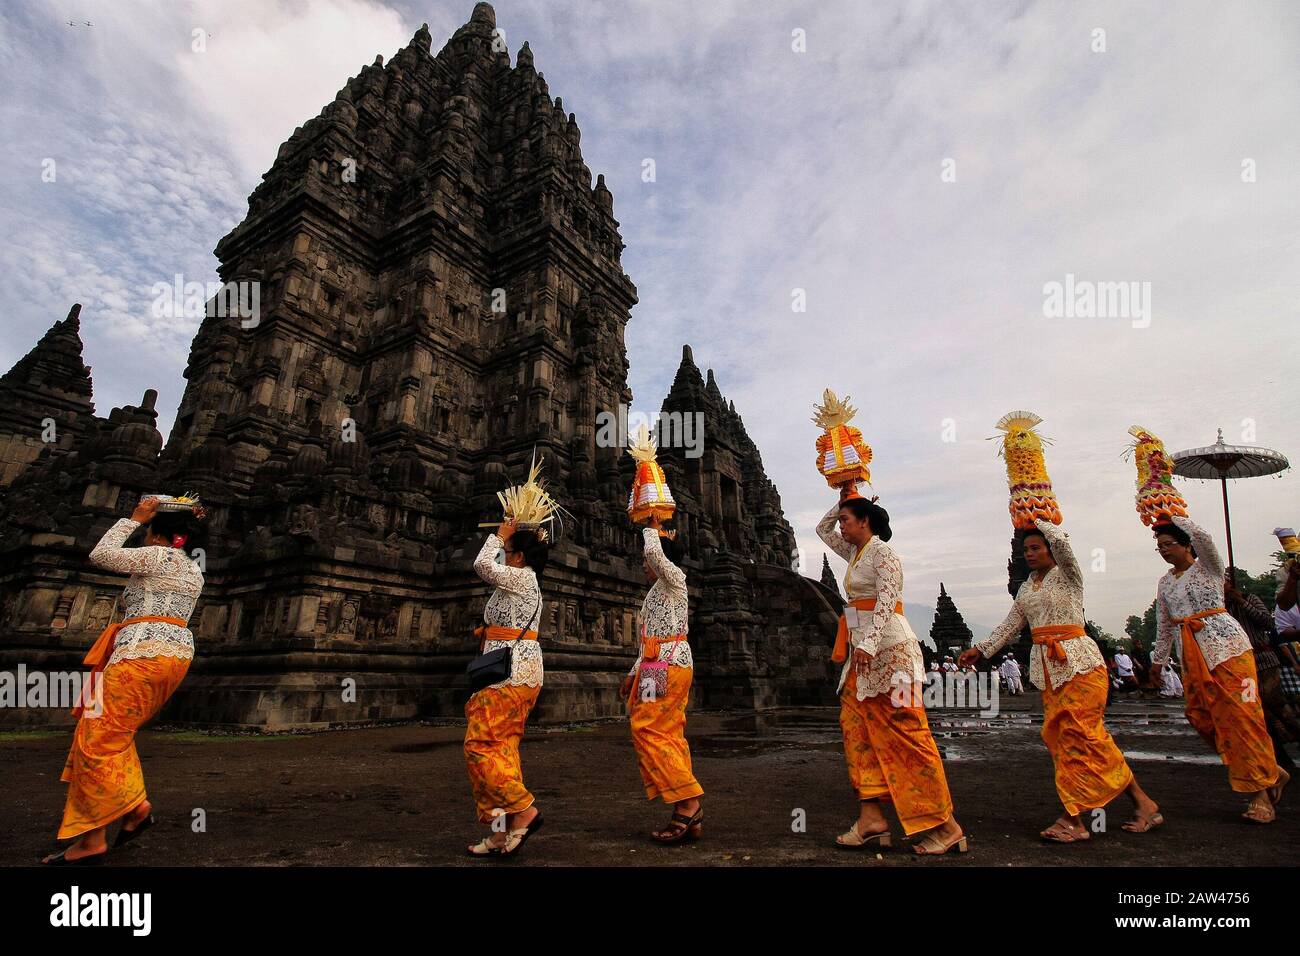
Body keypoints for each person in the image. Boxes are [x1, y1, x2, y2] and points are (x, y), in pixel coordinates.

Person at [961, 519, 1162, 842]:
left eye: (1036, 547)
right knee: (1072, 740)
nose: (1029, 553)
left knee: (1079, 737)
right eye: (1025, 549)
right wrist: (981, 650)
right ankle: (1143, 802)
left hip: (1080, 664)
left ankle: (1074, 819)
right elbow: (1011, 625)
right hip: (1049, 672)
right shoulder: (1028, 587)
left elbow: (1065, 547)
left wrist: (1033, 509)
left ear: (1051, 548)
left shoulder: (1068, 575)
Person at [42, 496, 206, 865]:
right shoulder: (193, 569)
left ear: (165, 535)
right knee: (113, 734)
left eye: (151, 531)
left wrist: (134, 518)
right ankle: (134, 810)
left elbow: (101, 555)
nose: (147, 535)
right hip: (172, 657)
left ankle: (93, 840)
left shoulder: (158, 557)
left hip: (141, 656)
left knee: (97, 738)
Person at [818, 485, 966, 855]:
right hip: (861, 653)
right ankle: (871, 817)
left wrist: (868, 642)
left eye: (849, 521)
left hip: (890, 650)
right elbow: (822, 530)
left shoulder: (882, 552)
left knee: (907, 732)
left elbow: (887, 598)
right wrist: (845, 496)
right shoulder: (854, 553)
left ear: (866, 522)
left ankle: (946, 825)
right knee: (856, 728)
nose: (843, 526)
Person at [1149, 517, 1289, 822]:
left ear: (1188, 545)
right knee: (1200, 717)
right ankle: (1269, 769)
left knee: (1241, 717)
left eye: (1169, 544)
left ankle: (1259, 795)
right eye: (1158, 546)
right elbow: (1163, 626)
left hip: (1227, 650)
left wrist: (1169, 509)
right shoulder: (1164, 582)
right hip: (1191, 655)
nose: (1163, 550)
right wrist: (1157, 663)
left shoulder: (1209, 568)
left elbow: (1203, 535)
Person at [464, 519, 548, 856]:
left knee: (480, 747)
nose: (503, 554)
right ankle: (501, 833)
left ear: (517, 556)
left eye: (507, 551)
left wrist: (499, 535)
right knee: (503, 753)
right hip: (509, 671)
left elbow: (482, 564)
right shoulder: (515, 582)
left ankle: (524, 810)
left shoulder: (523, 578)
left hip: (511, 674)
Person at [620, 514, 703, 843]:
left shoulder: (675, 578)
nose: (644, 564)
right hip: (655, 665)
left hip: (669, 664)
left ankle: (688, 802)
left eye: (647, 559)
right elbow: (648, 638)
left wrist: (653, 526)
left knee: (650, 729)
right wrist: (632, 673)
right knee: (662, 731)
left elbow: (656, 554)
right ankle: (685, 803)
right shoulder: (656, 590)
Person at [1225, 571, 1300, 771]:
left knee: (1277, 706)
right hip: (1240, 667)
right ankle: (1279, 757)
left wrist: (1242, 602)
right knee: (1257, 713)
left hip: (1263, 662)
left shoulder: (1250, 599)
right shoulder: (1220, 609)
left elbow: (1268, 622)